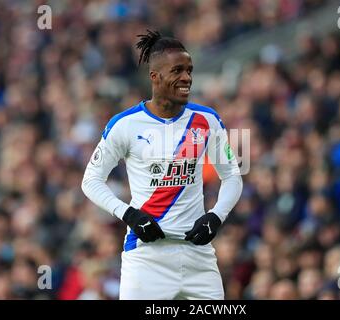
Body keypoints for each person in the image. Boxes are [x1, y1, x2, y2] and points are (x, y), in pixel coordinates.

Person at [81, 30, 243, 300]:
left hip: (198, 257)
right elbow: (91, 180)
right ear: (155, 77)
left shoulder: (207, 120)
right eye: (177, 70)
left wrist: (217, 216)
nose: (187, 78)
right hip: (147, 258)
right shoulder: (125, 125)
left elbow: (233, 176)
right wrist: (129, 214)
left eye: (189, 70)